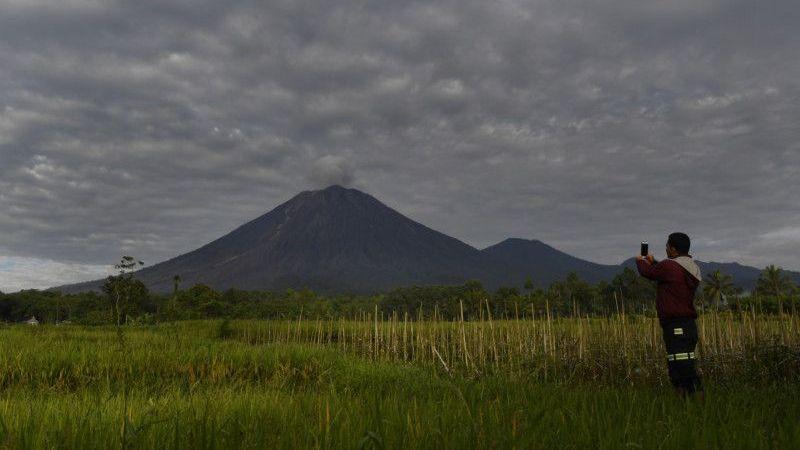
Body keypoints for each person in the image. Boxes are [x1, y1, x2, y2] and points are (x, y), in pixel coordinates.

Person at [636, 232, 704, 398]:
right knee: (682, 363)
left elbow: (649, 273)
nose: (665, 249)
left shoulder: (669, 266)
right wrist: (655, 262)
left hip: (676, 325)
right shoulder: (692, 267)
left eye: (667, 246)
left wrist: (640, 260)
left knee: (681, 366)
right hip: (687, 325)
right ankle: (686, 405)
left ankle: (696, 401)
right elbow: (670, 273)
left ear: (673, 249)